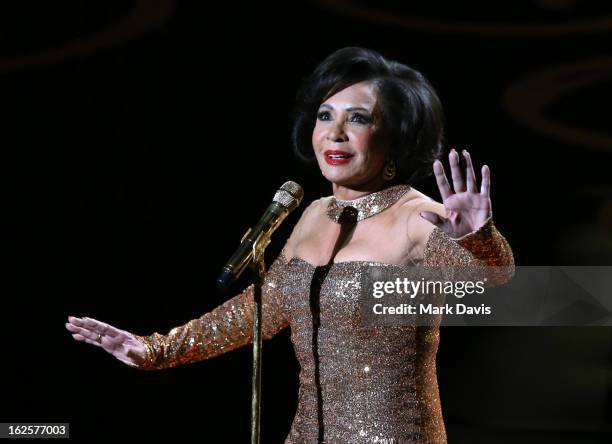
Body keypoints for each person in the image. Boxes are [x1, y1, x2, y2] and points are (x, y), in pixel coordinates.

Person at [66, 47, 514, 443]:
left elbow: (496, 286)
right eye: (325, 115)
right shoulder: (313, 214)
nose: (334, 133)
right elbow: (260, 309)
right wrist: (156, 350)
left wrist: (478, 239)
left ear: (396, 135)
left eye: (357, 118)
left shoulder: (418, 216)